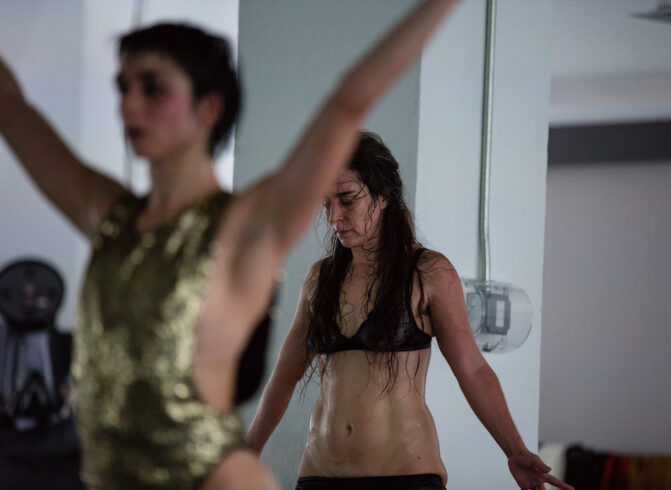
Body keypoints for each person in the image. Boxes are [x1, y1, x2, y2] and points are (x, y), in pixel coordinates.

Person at [0, 1, 459, 488]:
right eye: (124, 87)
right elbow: (11, 109)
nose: (129, 104)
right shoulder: (110, 217)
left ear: (209, 106)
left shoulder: (246, 226)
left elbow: (348, 101)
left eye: (152, 88)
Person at [247, 132, 575, 490]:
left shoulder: (428, 273)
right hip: (320, 476)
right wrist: (244, 456)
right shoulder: (318, 280)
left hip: (406, 476)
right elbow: (283, 377)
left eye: (347, 200)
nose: (334, 216)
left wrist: (515, 450)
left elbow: (473, 368)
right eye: (326, 204)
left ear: (384, 196)